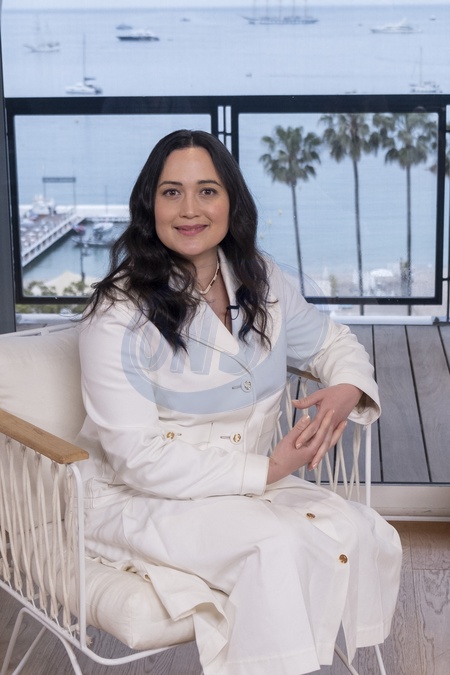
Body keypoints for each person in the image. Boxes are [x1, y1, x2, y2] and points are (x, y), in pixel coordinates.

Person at [75, 129, 402, 675]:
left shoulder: (261, 279)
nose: (190, 209)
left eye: (207, 191)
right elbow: (138, 458)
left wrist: (346, 390)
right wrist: (269, 469)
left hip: (242, 486)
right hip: (140, 497)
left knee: (360, 530)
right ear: (149, 206)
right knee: (275, 546)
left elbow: (332, 343)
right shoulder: (116, 312)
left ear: (232, 202)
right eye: (172, 192)